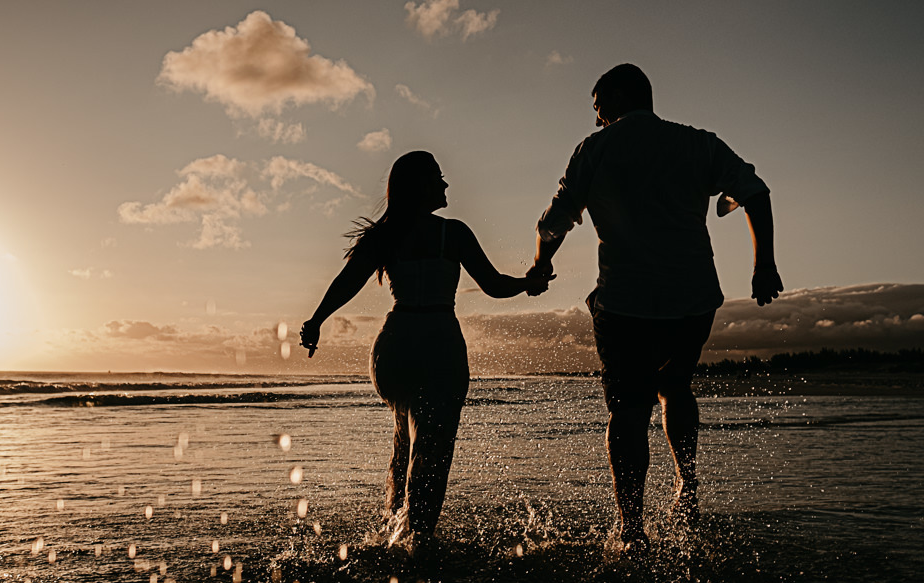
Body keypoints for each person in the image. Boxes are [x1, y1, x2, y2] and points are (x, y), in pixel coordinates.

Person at [530, 64, 784, 549]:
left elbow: (554, 220)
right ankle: (686, 485)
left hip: (625, 302)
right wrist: (764, 265)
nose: (596, 116)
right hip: (692, 299)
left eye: (598, 105)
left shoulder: (594, 148)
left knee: (628, 409)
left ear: (620, 96)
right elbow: (755, 192)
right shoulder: (698, 143)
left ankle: (631, 529)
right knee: (675, 385)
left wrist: (542, 266)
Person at [301, 151, 553, 549]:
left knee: (405, 436)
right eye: (437, 177)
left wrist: (316, 320)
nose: (445, 183)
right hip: (438, 343)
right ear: (420, 186)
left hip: (394, 347)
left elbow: (347, 281)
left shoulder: (385, 236)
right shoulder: (453, 233)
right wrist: (528, 284)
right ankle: (418, 542)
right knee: (433, 448)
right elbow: (493, 285)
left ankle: (392, 528)